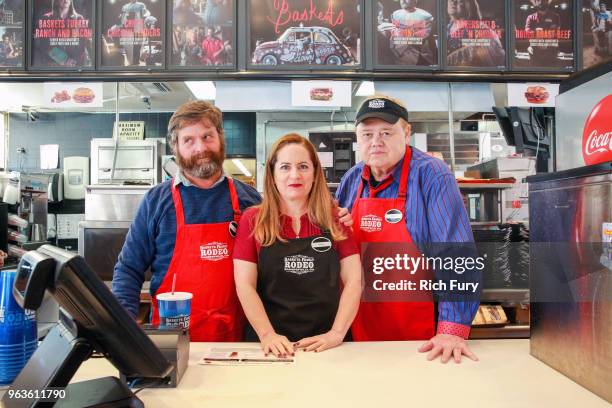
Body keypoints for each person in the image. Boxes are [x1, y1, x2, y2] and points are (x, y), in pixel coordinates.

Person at [335, 95, 481, 363]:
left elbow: (456, 255)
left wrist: (452, 329)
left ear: (406, 132)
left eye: (386, 133)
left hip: (417, 332)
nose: (375, 141)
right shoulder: (352, 179)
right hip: (356, 323)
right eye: (367, 134)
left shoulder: (432, 175)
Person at [112, 100, 261, 342]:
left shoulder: (250, 201)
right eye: (189, 140)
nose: (200, 147)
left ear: (221, 139)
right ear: (176, 149)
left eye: (207, 136)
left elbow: (273, 267)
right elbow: (129, 270)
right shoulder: (156, 201)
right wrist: (125, 330)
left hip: (238, 340)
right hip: (170, 341)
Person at [233, 134, 362, 356]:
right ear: (272, 175)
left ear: (314, 174)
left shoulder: (335, 219)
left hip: (326, 345)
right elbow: (245, 285)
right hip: (271, 346)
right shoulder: (253, 220)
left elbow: (354, 280)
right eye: (285, 167)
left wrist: (336, 333)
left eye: (303, 166)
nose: (295, 175)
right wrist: (267, 335)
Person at [446, 0, 504, 67]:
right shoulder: (447, 27)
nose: (453, 2)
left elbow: (495, 53)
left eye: (460, 0)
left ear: (469, 4)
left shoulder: (479, 27)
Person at [38, 0, 91, 67]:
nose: (66, 0)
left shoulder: (79, 19)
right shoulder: (46, 18)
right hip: (53, 66)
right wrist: (64, 60)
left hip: (74, 65)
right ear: (56, 1)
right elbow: (45, 44)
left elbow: (83, 44)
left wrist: (73, 61)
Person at [388, 0, 436, 65]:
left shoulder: (425, 17)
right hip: (396, 53)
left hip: (418, 56)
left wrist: (400, 35)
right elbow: (393, 35)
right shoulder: (395, 14)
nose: (403, 0)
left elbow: (418, 40)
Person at [524, 0, 561, 66]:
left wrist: (545, 40)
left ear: (548, 2)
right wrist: (537, 35)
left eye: (544, 0)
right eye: (538, 0)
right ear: (535, 2)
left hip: (551, 49)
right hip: (535, 49)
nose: (541, 2)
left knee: (551, 70)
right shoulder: (530, 17)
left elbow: (557, 32)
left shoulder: (555, 16)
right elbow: (527, 32)